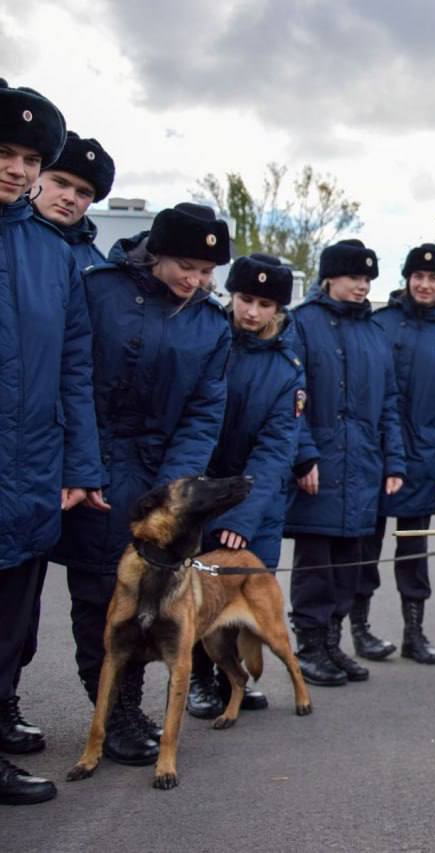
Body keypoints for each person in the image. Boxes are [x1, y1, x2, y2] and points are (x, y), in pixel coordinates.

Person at [53, 201, 232, 769]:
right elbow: (73, 377)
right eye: (185, 265)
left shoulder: (211, 322)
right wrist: (83, 464)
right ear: (156, 252)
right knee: (98, 598)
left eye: (206, 273)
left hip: (158, 481)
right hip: (95, 469)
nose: (195, 281)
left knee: (153, 601)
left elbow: (205, 410)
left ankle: (126, 711)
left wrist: (170, 493)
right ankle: (111, 710)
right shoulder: (99, 290)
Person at [0, 79, 102, 807]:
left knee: (12, 622)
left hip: (31, 466)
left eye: (29, 157)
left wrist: (79, 465)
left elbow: (74, 368)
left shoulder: (52, 254)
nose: (15, 168)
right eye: (3, 152)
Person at [185, 253, 305, 719]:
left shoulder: (288, 367)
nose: (252, 312)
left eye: (265, 304)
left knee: (243, 595)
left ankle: (229, 679)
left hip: (255, 502)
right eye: (245, 299)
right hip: (200, 494)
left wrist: (241, 517)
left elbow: (276, 450)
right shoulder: (209, 339)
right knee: (194, 596)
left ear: (279, 310)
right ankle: (198, 678)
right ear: (231, 295)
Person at [285, 239, 405, 687]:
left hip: (364, 469)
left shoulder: (375, 333)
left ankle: (333, 643)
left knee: (351, 563)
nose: (362, 286)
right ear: (330, 277)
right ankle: (310, 647)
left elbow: (389, 403)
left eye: (368, 279)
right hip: (320, 466)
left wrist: (395, 462)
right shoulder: (301, 324)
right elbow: (290, 398)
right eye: (354, 277)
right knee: (316, 564)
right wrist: (304, 456)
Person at [358, 244, 435, 665]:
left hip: (426, 462)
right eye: (418, 276)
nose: (425, 285)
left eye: (434, 278)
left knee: (413, 554)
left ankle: (414, 633)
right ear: (407, 278)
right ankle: (360, 629)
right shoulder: (378, 325)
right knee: (363, 549)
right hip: (374, 459)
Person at [32, 130, 114, 269]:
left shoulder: (96, 266)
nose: (70, 198)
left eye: (83, 193)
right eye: (61, 183)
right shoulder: (6, 235)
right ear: (35, 177)